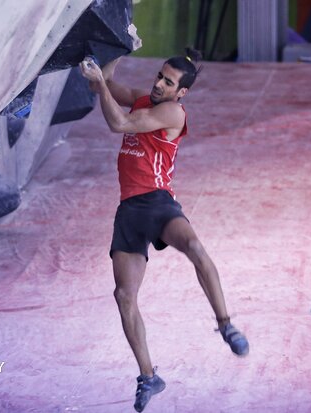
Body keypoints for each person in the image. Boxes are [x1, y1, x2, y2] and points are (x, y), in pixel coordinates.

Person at [79, 48, 249, 413]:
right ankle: (148, 376)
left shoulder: (172, 112)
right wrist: (115, 52)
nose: (158, 84)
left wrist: (100, 85)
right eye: (159, 76)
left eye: (168, 82)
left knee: (195, 249)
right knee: (124, 295)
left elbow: (119, 124)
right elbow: (105, 85)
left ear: (181, 92)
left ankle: (226, 324)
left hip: (158, 204)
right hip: (129, 211)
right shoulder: (146, 98)